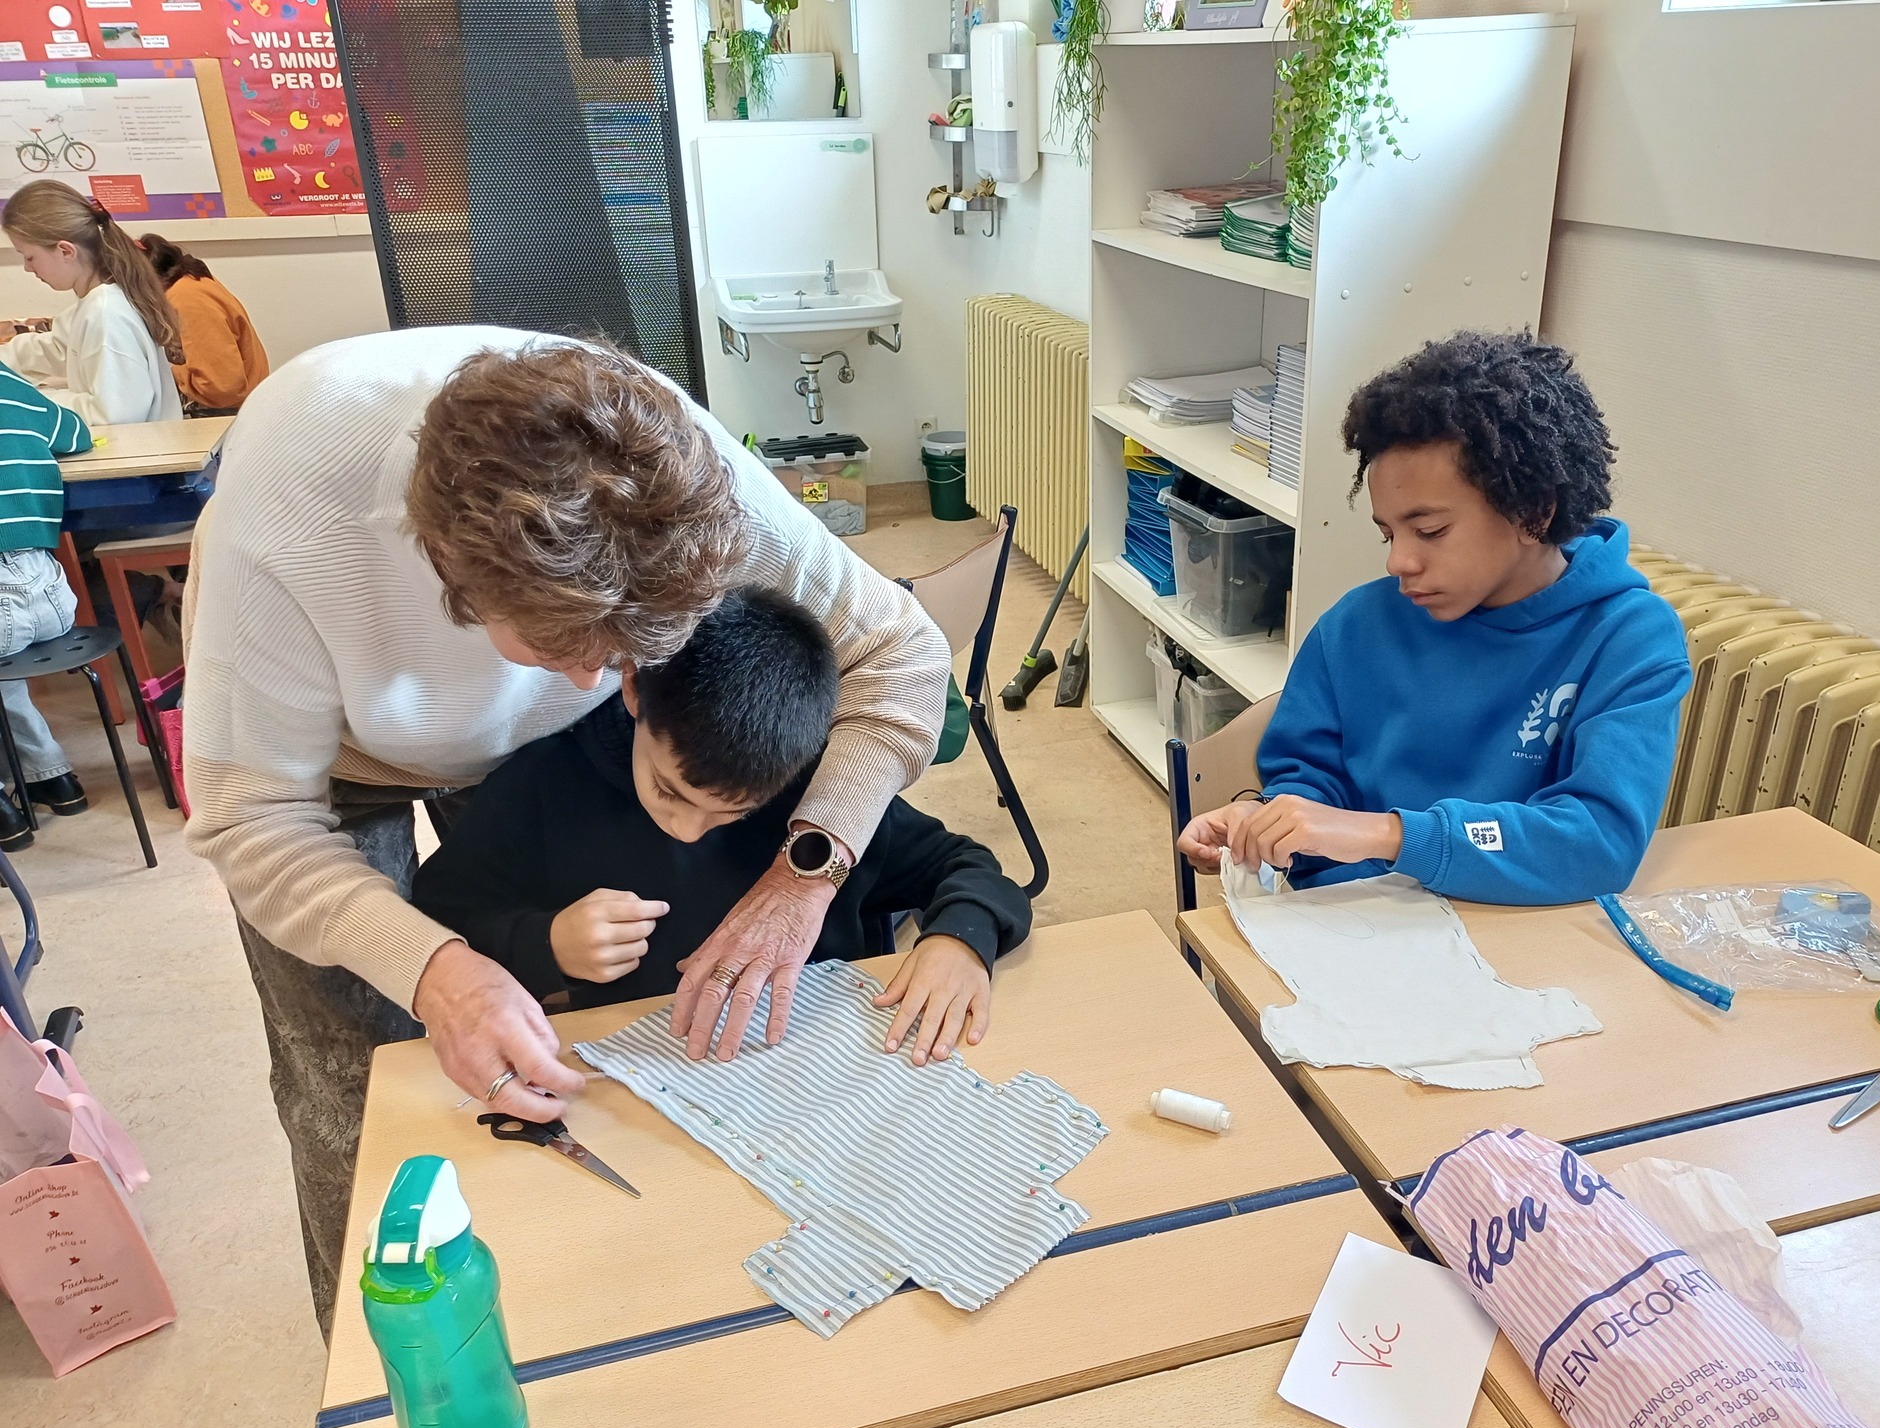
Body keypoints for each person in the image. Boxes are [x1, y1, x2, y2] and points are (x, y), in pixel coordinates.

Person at [183, 326, 949, 1328]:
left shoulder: (678, 478)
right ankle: (376, 1353)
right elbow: (253, 819)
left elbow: (901, 657)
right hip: (334, 762)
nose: (594, 677)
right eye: (564, 649)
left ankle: (566, 1299)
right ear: (451, 572)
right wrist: (435, 973)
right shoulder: (288, 518)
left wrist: (806, 874)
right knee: (363, 1082)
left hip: (541, 748)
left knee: (552, 1029)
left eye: (629, 654)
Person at [1177, 329, 1692, 906]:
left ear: (1533, 513)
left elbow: (1598, 842)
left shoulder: (1629, 637)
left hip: (1522, 928)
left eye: (1430, 531)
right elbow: (1311, 781)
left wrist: (1393, 835)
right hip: (1358, 924)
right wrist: (1268, 820)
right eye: (1388, 533)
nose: (1399, 561)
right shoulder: (1354, 627)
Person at [413, 588, 1028, 1061]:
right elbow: (443, 915)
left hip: (827, 1070)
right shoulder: (544, 785)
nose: (687, 830)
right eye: (667, 790)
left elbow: (969, 868)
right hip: (651, 1075)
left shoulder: (821, 791)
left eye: (735, 812)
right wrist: (546, 944)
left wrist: (959, 940)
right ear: (633, 688)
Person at [0, 364, 97, 848]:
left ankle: (4, 812)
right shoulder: (10, 385)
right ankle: (50, 776)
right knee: (4, 671)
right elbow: (76, 434)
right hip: (51, 594)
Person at [0, 181, 182, 426]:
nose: (27, 268)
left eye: (29, 257)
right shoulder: (94, 304)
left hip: (135, 447)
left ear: (66, 251)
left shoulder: (106, 314)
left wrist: (34, 400)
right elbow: (57, 348)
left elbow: (113, 414)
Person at [139, 234, 270, 415]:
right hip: (241, 408)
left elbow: (221, 387)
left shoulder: (187, 297)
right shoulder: (191, 282)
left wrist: (168, 372)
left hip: (228, 414)